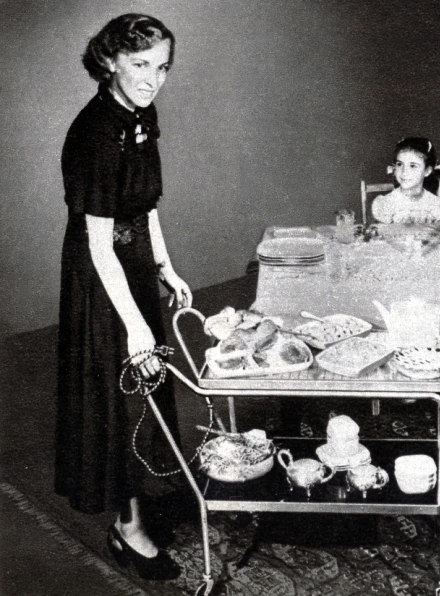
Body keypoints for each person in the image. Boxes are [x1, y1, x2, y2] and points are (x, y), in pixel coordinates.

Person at [55, 14, 192, 580]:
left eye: (161, 67)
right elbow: (97, 243)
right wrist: (135, 325)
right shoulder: (93, 133)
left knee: (147, 392)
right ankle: (126, 526)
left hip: (133, 262)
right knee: (115, 398)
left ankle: (146, 493)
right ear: (110, 61)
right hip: (100, 275)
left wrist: (164, 264)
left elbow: (146, 203)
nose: (152, 79)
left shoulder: (142, 114)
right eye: (140, 66)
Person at [371, 137, 440, 224]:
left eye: (412, 166)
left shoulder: (437, 205)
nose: (404, 172)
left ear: (427, 171)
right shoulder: (386, 204)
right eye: (399, 164)